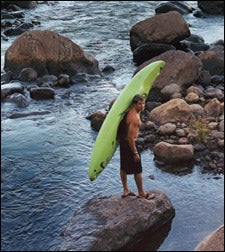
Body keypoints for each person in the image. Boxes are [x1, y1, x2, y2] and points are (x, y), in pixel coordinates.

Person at [117, 94, 155, 200]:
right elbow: (130, 137)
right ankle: (141, 193)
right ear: (134, 104)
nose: (142, 106)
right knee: (138, 170)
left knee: (123, 167)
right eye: (140, 104)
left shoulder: (129, 111)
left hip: (123, 143)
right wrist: (135, 152)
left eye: (143, 103)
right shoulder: (134, 117)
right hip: (130, 144)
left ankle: (125, 190)